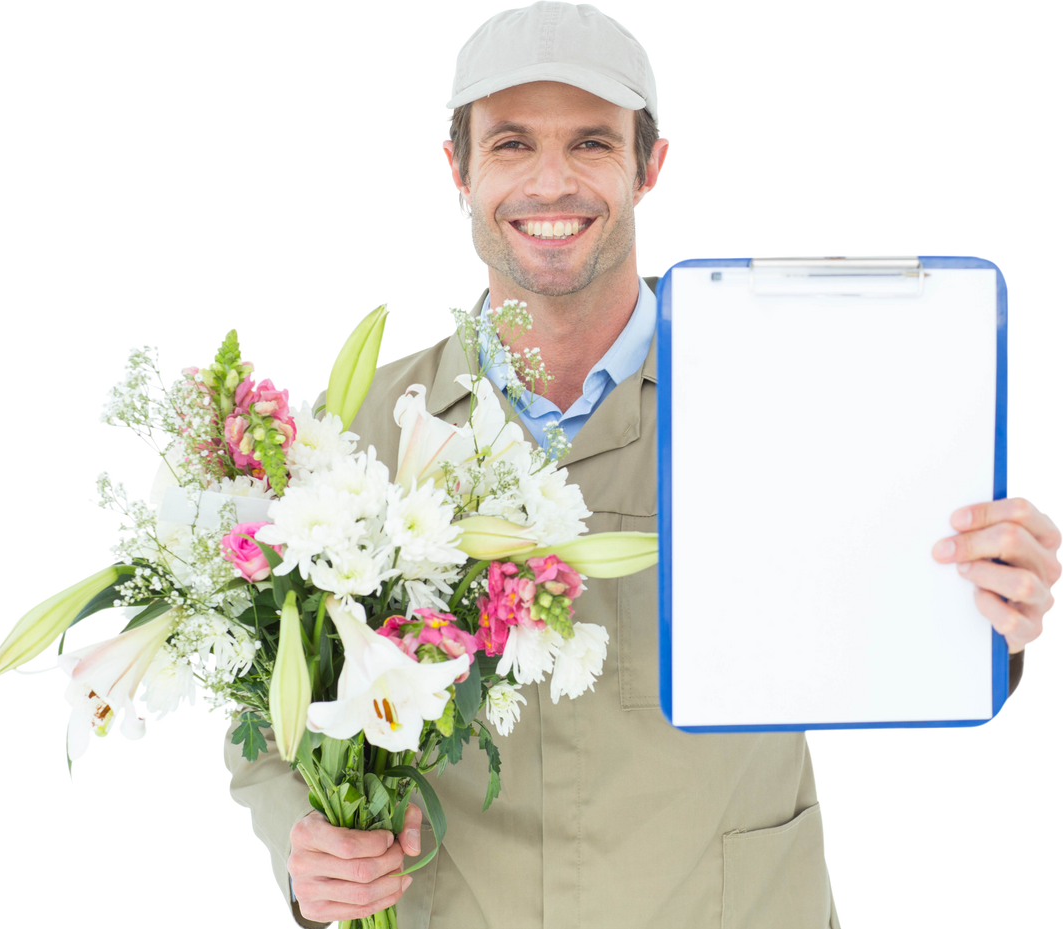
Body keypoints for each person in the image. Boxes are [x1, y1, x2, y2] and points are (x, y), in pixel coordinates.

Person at [223, 3, 1048, 927]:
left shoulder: (794, 388)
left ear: (650, 165)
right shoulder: (362, 429)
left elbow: (892, 614)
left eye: (590, 143)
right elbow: (267, 706)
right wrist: (310, 843)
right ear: (455, 167)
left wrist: (991, 617)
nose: (550, 182)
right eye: (509, 144)